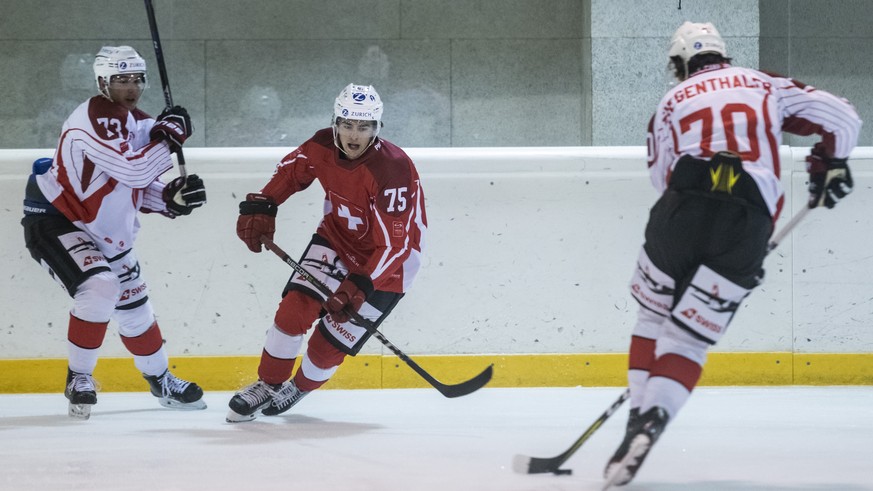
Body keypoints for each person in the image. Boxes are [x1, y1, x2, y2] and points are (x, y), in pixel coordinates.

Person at [603, 22, 861, 487]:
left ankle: (633, 425)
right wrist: (830, 161)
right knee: (687, 341)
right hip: (748, 222)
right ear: (722, 54)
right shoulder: (765, 84)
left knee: (651, 320)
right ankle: (655, 418)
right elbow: (842, 118)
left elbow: (661, 179)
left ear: (680, 63)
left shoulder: (670, 102)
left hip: (681, 208)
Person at [21, 46, 208, 419]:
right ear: (102, 81)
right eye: (121, 79)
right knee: (100, 286)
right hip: (58, 219)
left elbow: (132, 188)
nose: (131, 87)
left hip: (104, 229)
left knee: (136, 309)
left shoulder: (138, 123)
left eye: (136, 79)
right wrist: (168, 141)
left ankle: (160, 379)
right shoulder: (92, 119)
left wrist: (171, 199)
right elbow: (133, 170)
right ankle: (79, 377)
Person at [228, 83, 427, 423]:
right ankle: (267, 383)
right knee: (293, 312)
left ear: (377, 129)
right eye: (347, 124)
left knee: (325, 346)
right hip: (336, 240)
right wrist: (264, 203)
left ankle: (301, 385)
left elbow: (395, 245)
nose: (354, 134)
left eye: (364, 127)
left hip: (386, 265)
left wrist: (357, 286)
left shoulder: (393, 170)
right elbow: (292, 172)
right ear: (335, 122)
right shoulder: (320, 144)